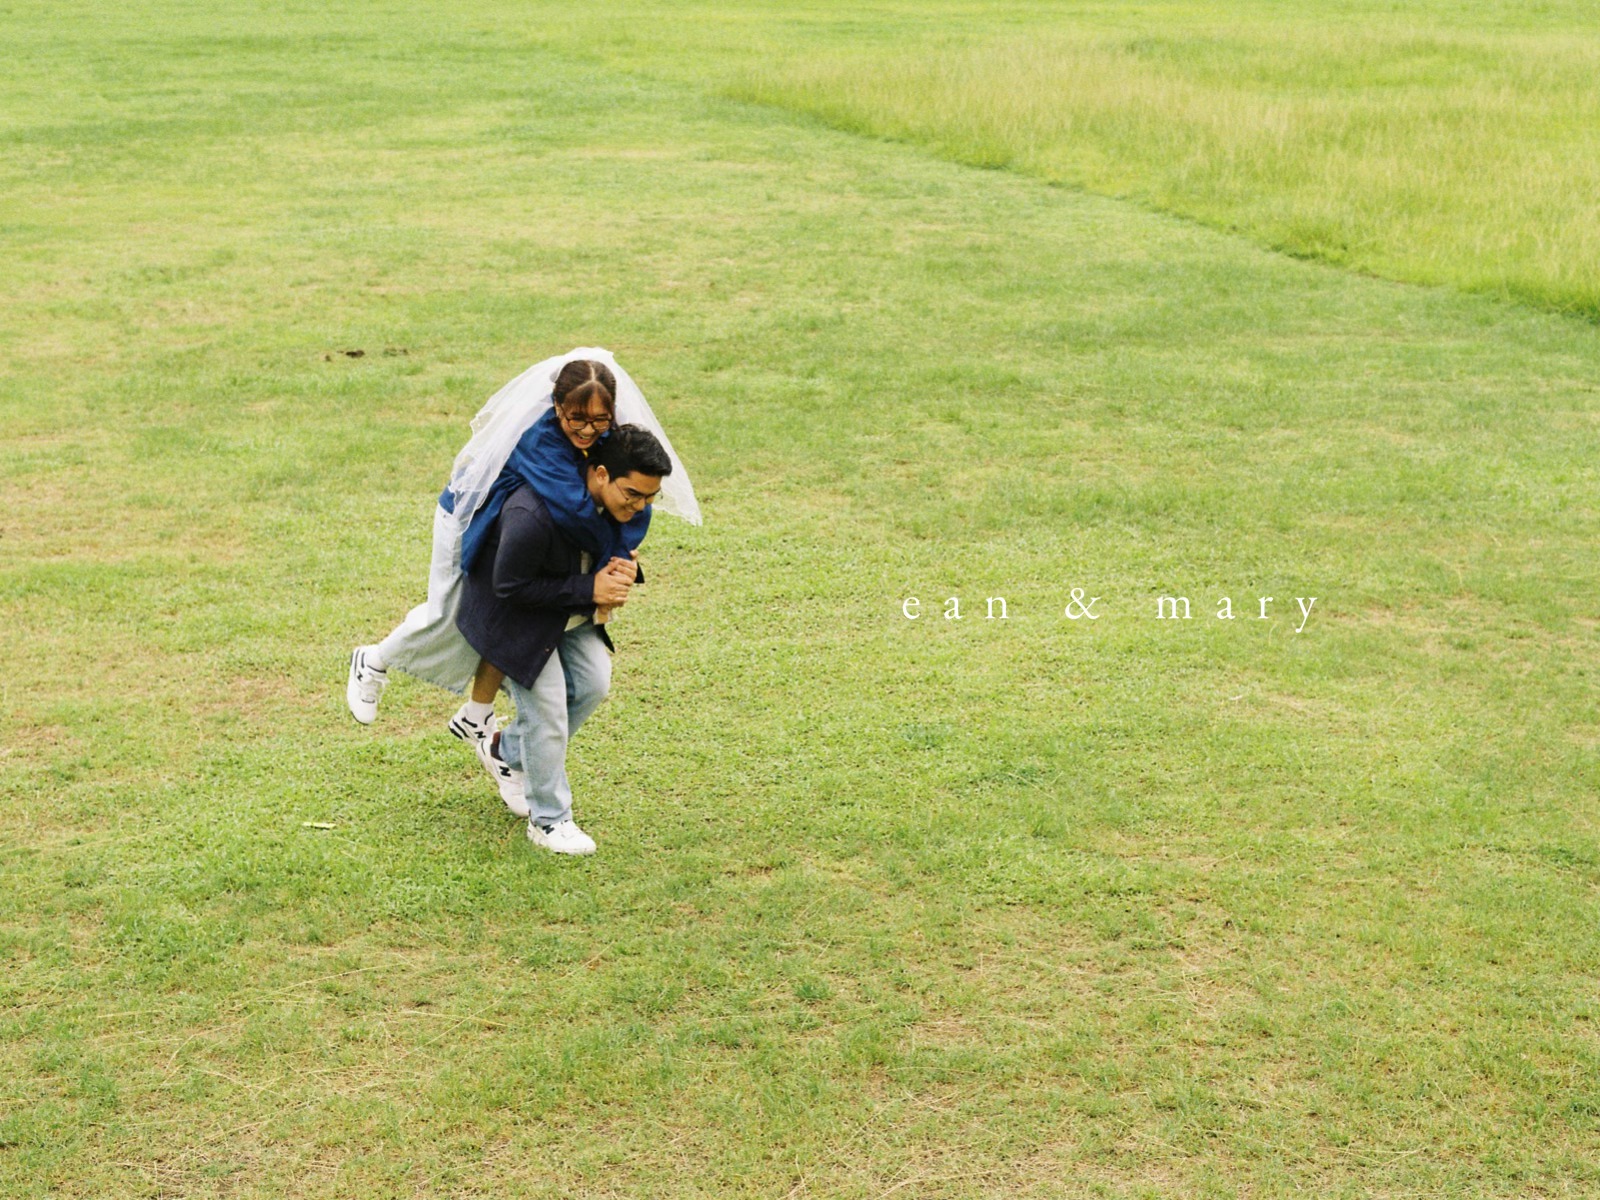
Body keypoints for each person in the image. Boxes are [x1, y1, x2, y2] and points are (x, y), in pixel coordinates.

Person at [344, 349, 700, 832]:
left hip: (521, 544)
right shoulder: (541, 445)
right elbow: (577, 515)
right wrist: (603, 575)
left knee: (537, 644)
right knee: (449, 615)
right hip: (470, 515)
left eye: (600, 419)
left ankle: (486, 729)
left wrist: (621, 561)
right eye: (578, 417)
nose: (589, 429)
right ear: (557, 408)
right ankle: (375, 659)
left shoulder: (608, 443)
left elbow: (627, 508)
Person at [455, 424, 671, 854]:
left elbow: (607, 553)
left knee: (593, 684)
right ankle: (549, 820)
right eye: (633, 495)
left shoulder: (622, 507)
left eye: (650, 498)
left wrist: (622, 573)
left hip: (564, 615)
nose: (641, 506)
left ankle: (504, 749)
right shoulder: (533, 513)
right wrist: (591, 590)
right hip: (515, 619)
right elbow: (509, 589)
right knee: (548, 709)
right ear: (601, 474)